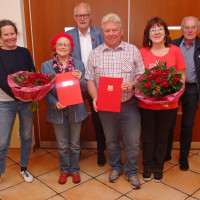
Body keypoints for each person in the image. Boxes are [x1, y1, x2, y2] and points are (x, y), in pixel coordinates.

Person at [85, 13, 144, 189]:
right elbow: (90, 80)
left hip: (129, 105)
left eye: (114, 30)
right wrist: (95, 98)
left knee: (133, 141)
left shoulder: (132, 50)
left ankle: (132, 171)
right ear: (103, 32)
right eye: (107, 30)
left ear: (121, 31)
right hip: (106, 106)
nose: (111, 33)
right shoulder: (94, 54)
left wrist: (133, 84)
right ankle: (116, 167)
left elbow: (142, 74)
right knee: (110, 141)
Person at [139, 17, 186, 182]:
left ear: (166, 33)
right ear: (148, 35)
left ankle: (158, 167)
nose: (157, 32)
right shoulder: (142, 52)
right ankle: (147, 165)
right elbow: (138, 78)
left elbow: (181, 76)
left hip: (169, 104)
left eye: (160, 29)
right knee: (148, 136)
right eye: (153, 30)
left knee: (162, 136)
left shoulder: (175, 51)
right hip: (146, 104)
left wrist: (173, 94)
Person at [41, 33, 88, 184]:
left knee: (74, 144)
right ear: (55, 47)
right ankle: (64, 169)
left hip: (76, 109)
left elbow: (86, 88)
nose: (62, 47)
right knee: (61, 145)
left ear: (70, 48)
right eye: (59, 44)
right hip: (57, 109)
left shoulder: (79, 64)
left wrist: (80, 79)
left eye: (66, 44)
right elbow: (44, 90)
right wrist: (55, 102)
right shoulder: (46, 66)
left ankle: (74, 170)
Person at [66, 3, 107, 167]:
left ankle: (101, 151)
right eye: (78, 16)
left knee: (99, 118)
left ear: (90, 17)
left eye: (85, 15)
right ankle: (75, 150)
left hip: (95, 83)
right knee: (73, 117)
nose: (82, 18)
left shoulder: (100, 34)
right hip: (74, 83)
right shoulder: (68, 36)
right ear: (74, 18)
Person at [0, 19, 36, 183]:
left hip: (26, 103)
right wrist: (18, 96)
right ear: (1, 37)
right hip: (5, 103)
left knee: (27, 136)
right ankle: (0, 172)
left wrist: (36, 90)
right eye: (6, 34)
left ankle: (24, 168)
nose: (10, 37)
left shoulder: (24, 52)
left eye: (12, 33)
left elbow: (32, 74)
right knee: (2, 141)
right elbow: (1, 80)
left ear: (16, 34)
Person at [166, 16, 200, 171]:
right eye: (187, 27)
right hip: (173, 88)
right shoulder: (172, 45)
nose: (190, 30)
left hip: (192, 89)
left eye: (193, 27)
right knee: (168, 122)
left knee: (187, 125)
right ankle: (166, 153)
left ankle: (183, 157)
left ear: (198, 29)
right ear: (181, 29)